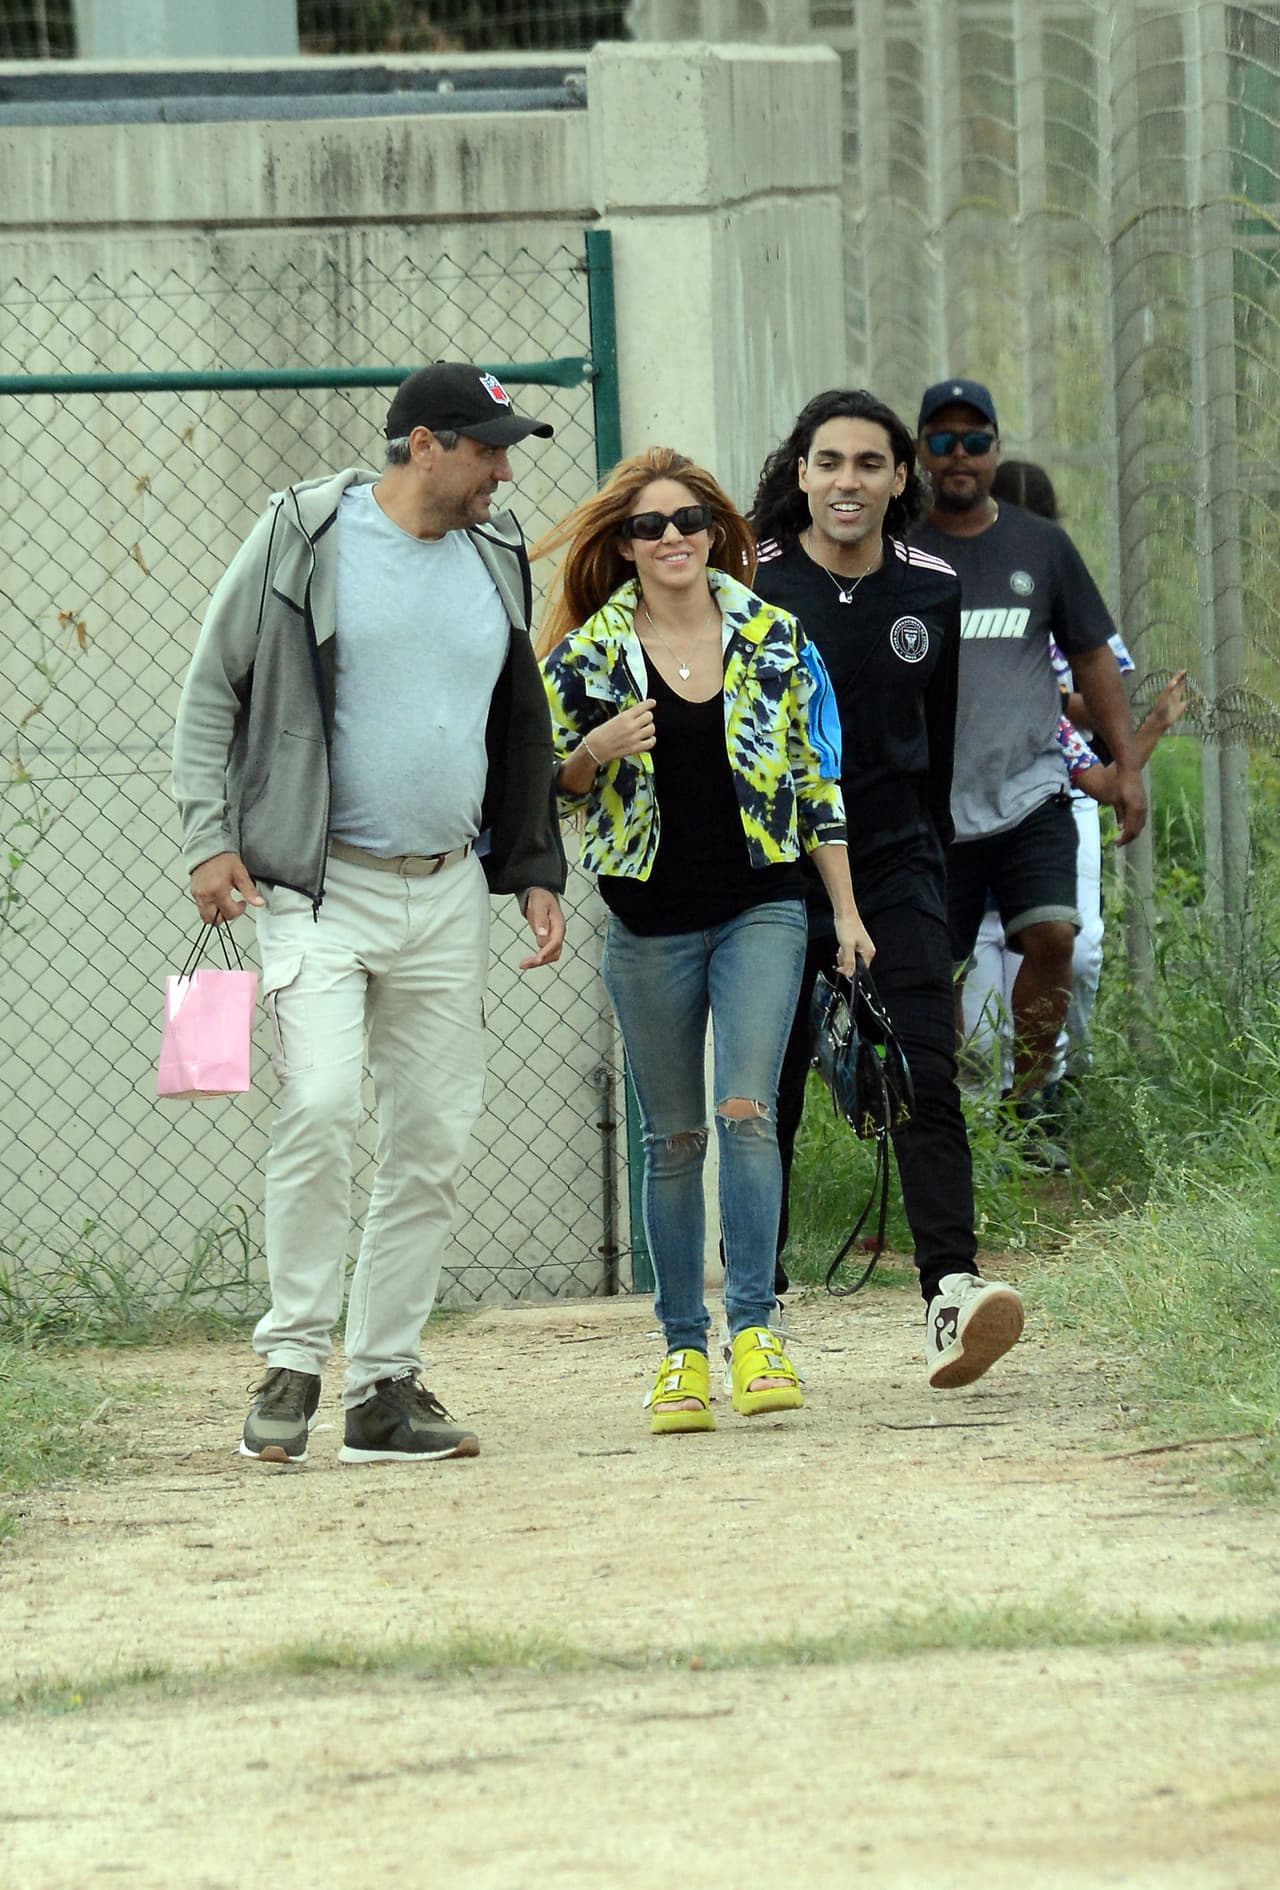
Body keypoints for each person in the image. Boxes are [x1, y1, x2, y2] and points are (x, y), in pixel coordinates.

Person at [171, 362, 567, 1466]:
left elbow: (515, 722)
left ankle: (382, 1389)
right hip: (315, 886)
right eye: (488, 448)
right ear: (425, 445)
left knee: (432, 1140)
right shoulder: (303, 533)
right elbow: (215, 688)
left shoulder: (494, 555)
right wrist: (206, 836)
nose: (502, 469)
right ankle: (291, 1359)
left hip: (444, 889)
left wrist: (532, 865)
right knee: (322, 1107)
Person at [537, 447, 874, 1434]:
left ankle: (757, 1330)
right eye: (649, 525)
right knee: (672, 1138)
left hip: (761, 908)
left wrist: (845, 914)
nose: (672, 537)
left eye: (689, 520)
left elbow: (817, 783)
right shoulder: (590, 656)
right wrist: (588, 755)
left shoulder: (772, 636)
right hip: (647, 921)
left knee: (747, 1112)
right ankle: (682, 1347)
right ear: (625, 544)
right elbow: (536, 784)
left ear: (717, 532)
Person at [750, 388, 1024, 1391]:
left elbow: (934, 740)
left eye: (868, 464)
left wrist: (923, 859)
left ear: (899, 477)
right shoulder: (757, 586)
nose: (847, 483)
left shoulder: (931, 589)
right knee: (766, 1086)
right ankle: (756, 1305)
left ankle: (950, 1290)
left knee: (922, 1070)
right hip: (774, 870)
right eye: (828, 463)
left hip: (898, 860)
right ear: (801, 474)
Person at [910, 380, 1148, 1159]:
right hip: (931, 806)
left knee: (1054, 939)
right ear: (920, 454)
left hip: (1031, 792)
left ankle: (1031, 1099)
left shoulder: (1040, 547)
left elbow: (1091, 656)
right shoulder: (900, 547)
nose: (959, 456)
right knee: (934, 969)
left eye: (973, 441)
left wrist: (1124, 768)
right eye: (941, 441)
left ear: (995, 451)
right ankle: (949, 1117)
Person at [963, 459, 1188, 1107]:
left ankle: (1050, 1086)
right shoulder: (963, 585)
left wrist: (1120, 717)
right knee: (981, 956)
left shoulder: (1056, 584)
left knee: (1072, 945)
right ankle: (992, 1097)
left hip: (1054, 793)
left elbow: (1091, 700)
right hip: (971, 799)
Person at [964, 674, 1189, 1095]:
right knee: (976, 1051)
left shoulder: (1048, 724)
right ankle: (976, 1146)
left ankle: (1036, 1124)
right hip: (968, 910)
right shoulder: (946, 720)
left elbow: (1102, 783)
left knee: (1034, 1031)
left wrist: (1155, 724)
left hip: (1025, 909)